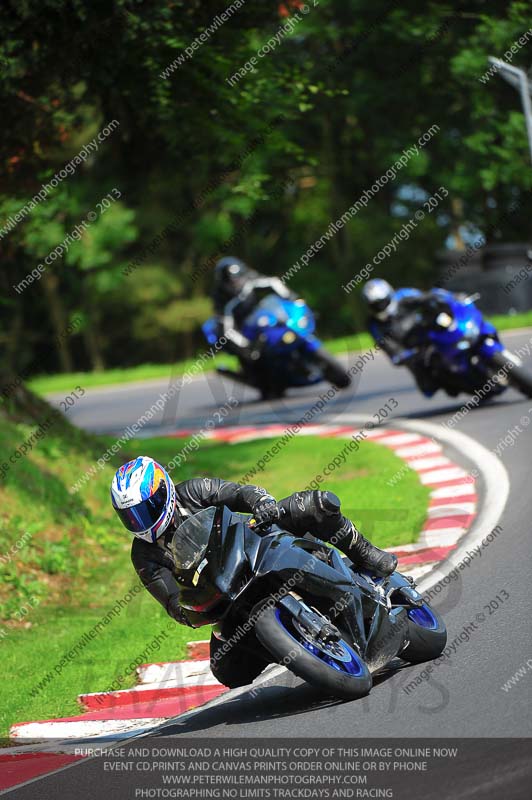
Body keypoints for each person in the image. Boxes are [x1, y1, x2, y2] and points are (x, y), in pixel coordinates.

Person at [111, 456, 397, 689]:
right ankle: (292, 648)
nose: (140, 521)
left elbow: (238, 493)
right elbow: (173, 602)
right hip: (224, 597)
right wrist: (189, 610)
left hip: (256, 543)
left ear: (164, 490)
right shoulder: (144, 555)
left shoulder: (194, 492)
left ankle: (365, 553)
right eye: (131, 515)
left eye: (145, 509)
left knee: (313, 505)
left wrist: (262, 504)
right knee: (227, 671)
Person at [361, 279, 445, 396]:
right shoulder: (373, 323)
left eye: (381, 302)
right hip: (414, 349)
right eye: (375, 305)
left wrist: (445, 299)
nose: (380, 306)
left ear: (389, 294)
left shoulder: (404, 295)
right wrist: (400, 355)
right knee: (428, 387)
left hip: (433, 330)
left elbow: (427, 297)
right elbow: (384, 343)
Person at [212, 256, 294, 364]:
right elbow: (227, 330)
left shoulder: (251, 278)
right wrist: (246, 344)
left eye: (237, 278)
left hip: (260, 316)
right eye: (230, 282)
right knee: (252, 357)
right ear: (223, 283)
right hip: (241, 328)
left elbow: (272, 282)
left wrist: (292, 297)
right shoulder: (221, 299)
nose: (235, 283)